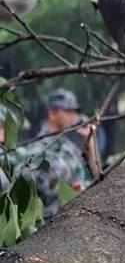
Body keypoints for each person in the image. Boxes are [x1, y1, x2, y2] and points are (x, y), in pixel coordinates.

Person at [13, 89, 93, 217]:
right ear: (52, 113)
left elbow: (92, 176)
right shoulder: (36, 150)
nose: (73, 116)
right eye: (67, 111)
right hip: (52, 223)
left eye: (74, 111)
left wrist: (90, 140)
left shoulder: (70, 149)